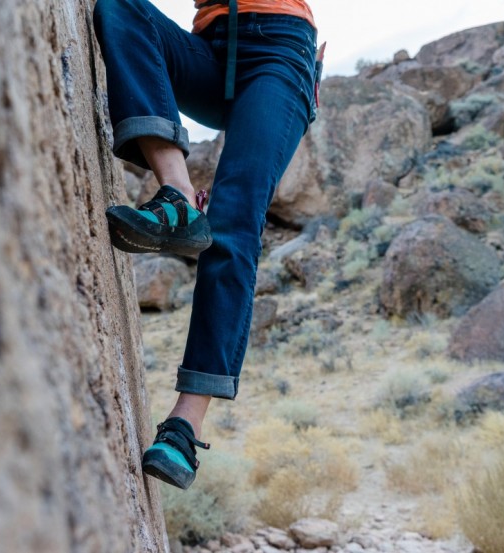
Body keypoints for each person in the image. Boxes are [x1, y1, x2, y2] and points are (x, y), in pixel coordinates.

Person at [93, 0, 322, 490]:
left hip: (280, 52)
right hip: (211, 49)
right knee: (120, 9)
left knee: (235, 226)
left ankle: (185, 424)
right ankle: (177, 194)